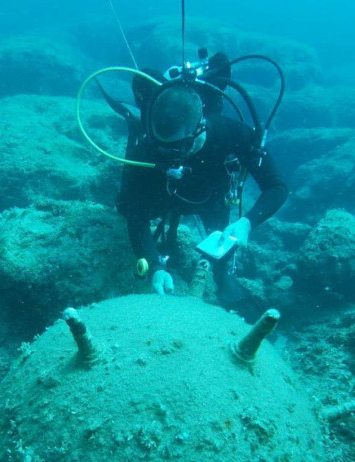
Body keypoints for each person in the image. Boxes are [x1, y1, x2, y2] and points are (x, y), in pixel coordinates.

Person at [115, 82, 289, 307]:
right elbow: (135, 213)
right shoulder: (144, 151)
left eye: (178, 147)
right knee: (126, 207)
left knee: (220, 247)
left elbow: (277, 187)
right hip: (161, 198)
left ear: (200, 127)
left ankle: (223, 279)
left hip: (212, 200)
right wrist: (155, 265)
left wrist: (248, 222)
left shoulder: (233, 134)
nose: (169, 157)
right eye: (161, 147)